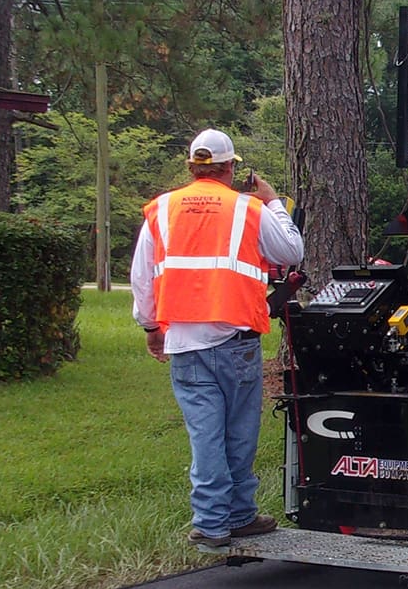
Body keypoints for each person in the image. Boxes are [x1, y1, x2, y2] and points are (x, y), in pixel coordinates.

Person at [131, 128, 305, 548]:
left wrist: (151, 328)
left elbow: (141, 279)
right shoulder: (249, 208)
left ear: (192, 166)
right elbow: (292, 252)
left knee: (205, 436)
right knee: (239, 433)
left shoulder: (162, 209)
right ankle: (239, 515)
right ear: (230, 168)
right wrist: (274, 202)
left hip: (186, 344)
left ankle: (212, 523)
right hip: (236, 341)